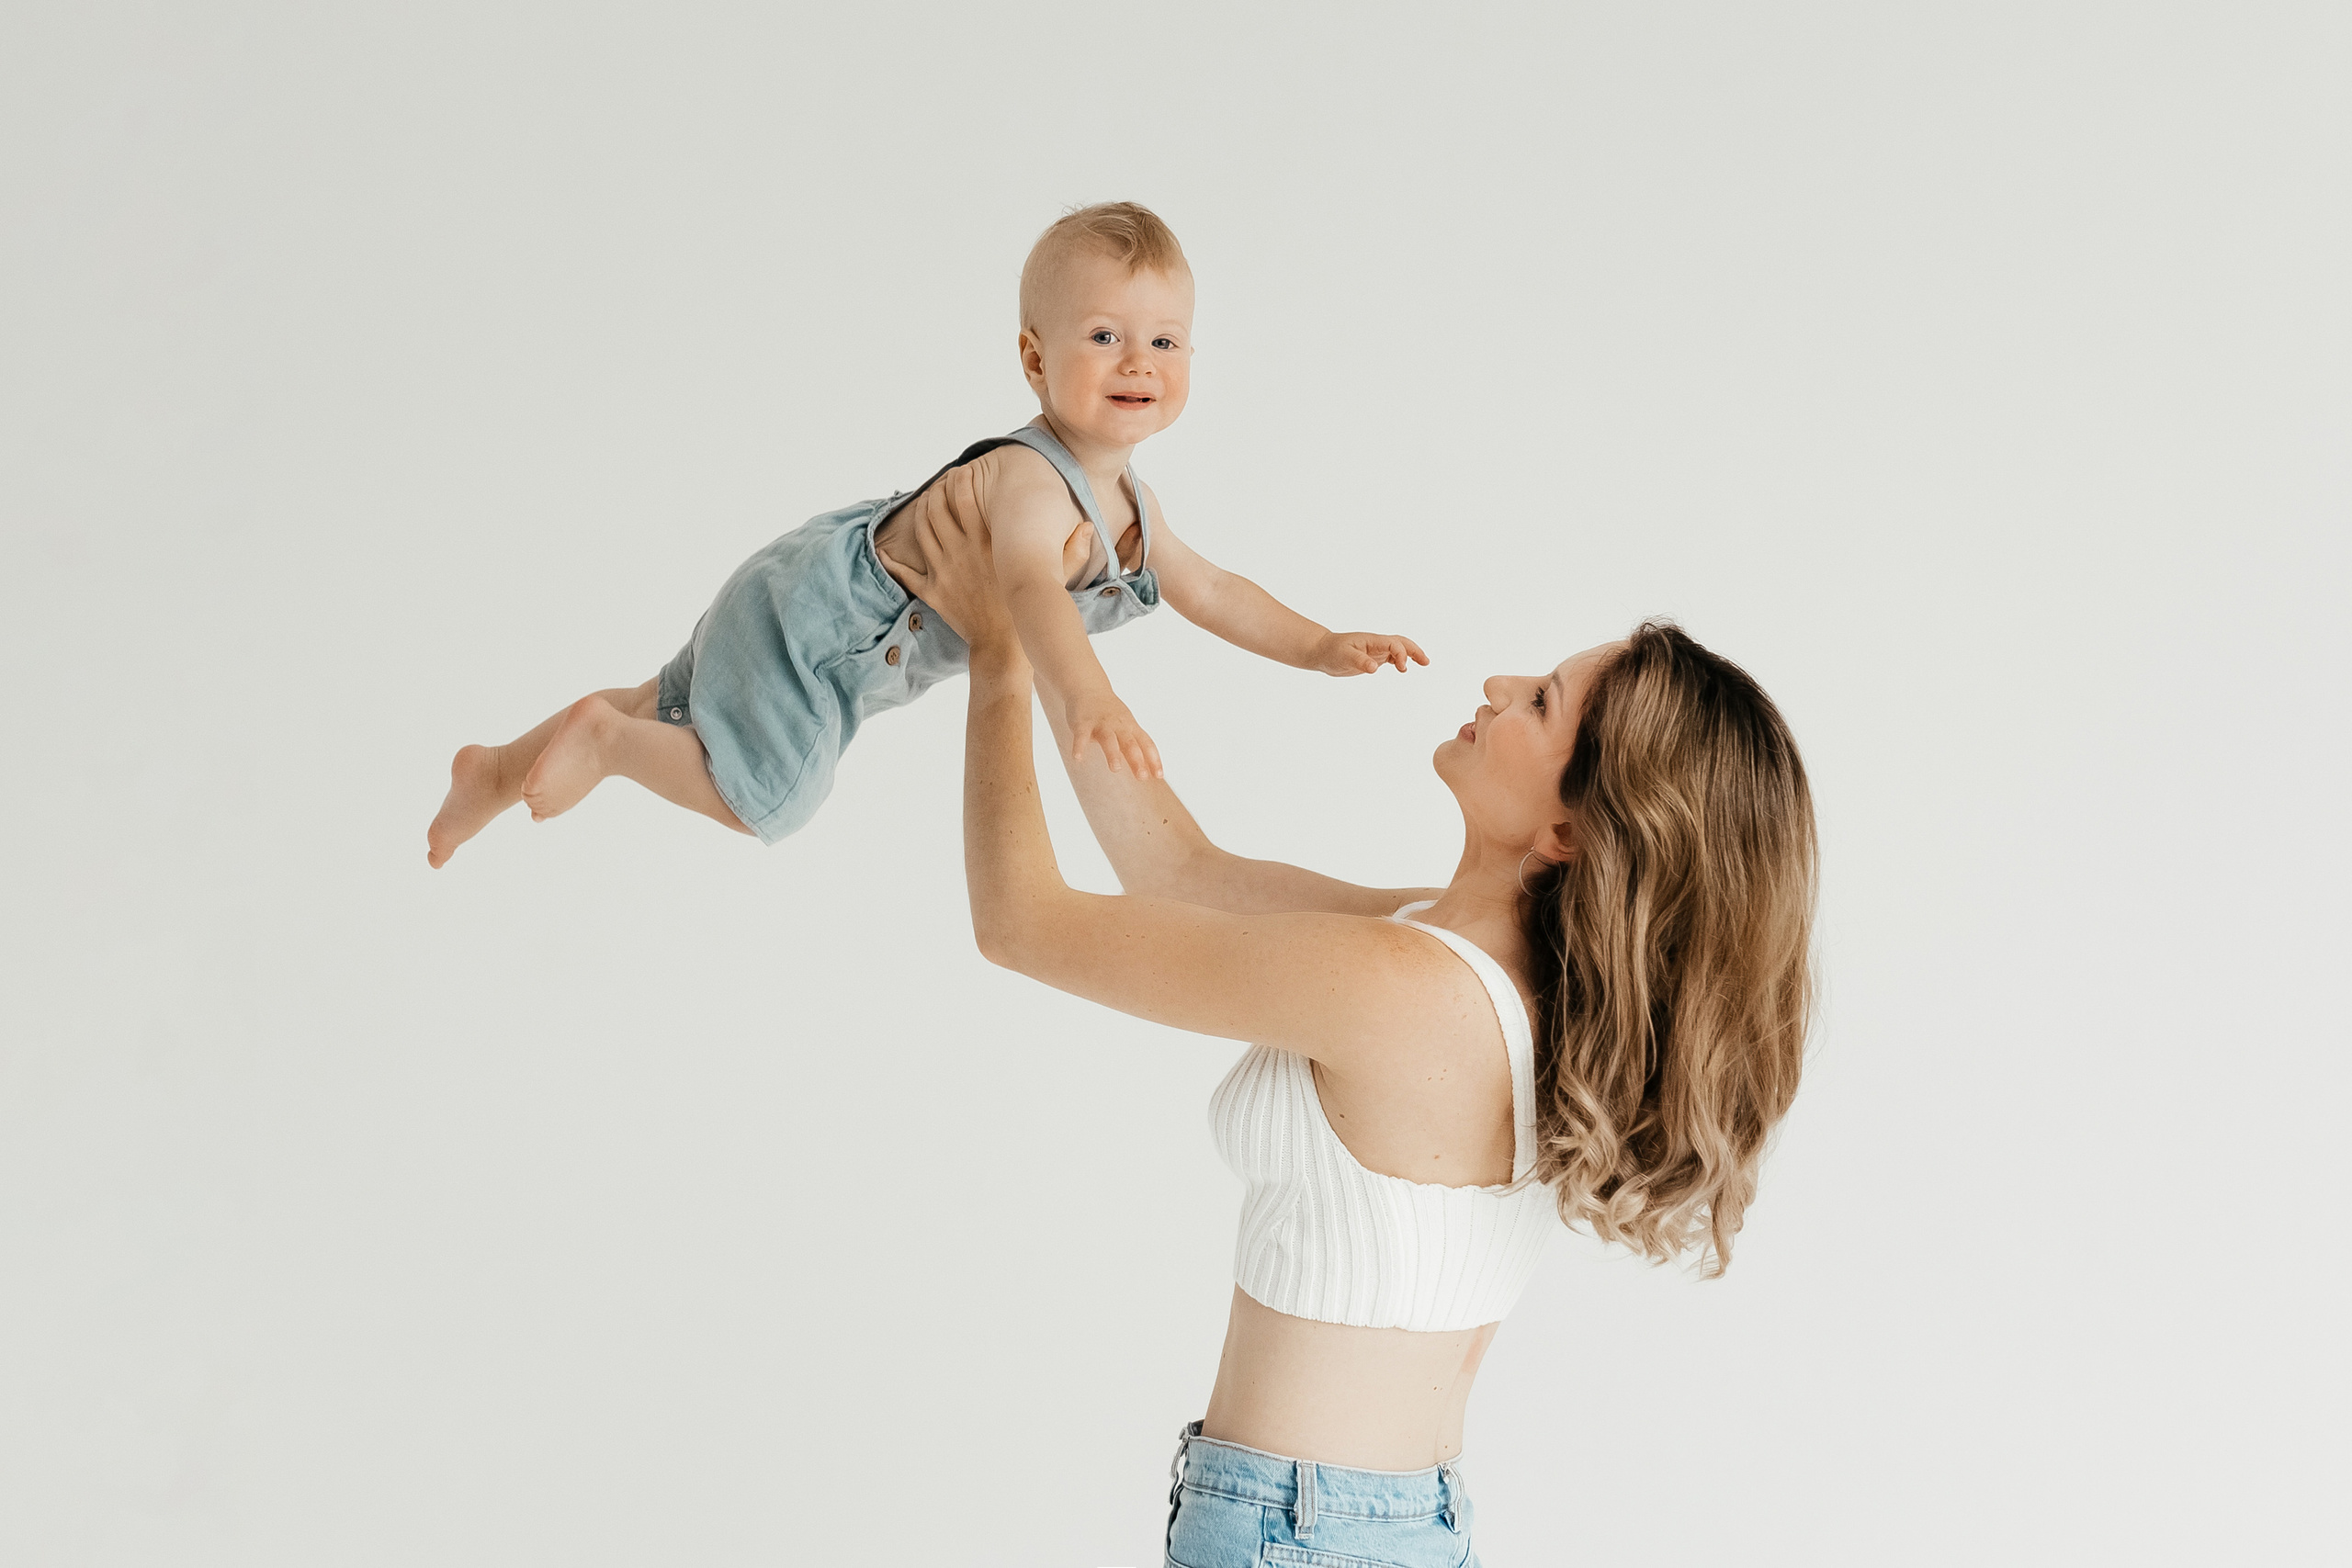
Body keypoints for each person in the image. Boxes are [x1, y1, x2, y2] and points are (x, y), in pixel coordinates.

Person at [882, 475, 1817, 1565]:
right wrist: (1051, 633)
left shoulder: (1402, 987)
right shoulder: (1462, 964)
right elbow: (1177, 869)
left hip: (1301, 1532)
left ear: (1569, 829)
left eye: (1544, 703)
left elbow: (1023, 925)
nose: (1499, 683)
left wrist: (993, 650)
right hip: (1363, 1524)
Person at [424, 201, 1424, 867]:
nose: (1137, 362)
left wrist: (1319, 646)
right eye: (1104, 336)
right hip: (826, 632)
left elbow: (1215, 589)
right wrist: (1092, 701)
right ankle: (600, 743)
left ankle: (499, 770)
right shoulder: (1035, 483)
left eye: (1163, 341)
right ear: (1034, 361)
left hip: (795, 586)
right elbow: (1028, 596)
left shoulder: (1131, 507)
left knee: (670, 705)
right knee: (762, 799)